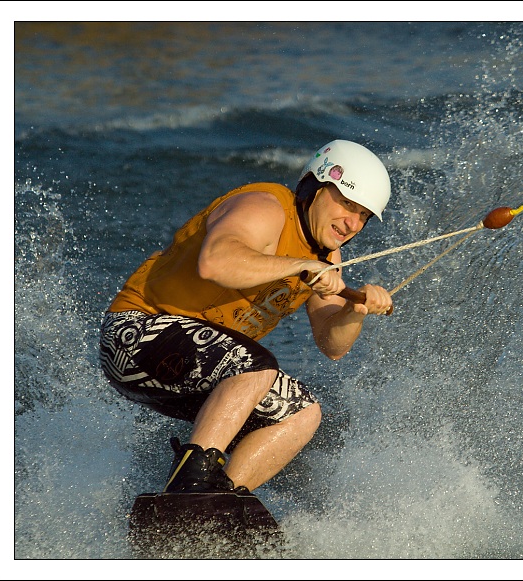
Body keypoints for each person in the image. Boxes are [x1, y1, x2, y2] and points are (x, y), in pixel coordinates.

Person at [99, 139, 393, 494]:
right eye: (346, 204)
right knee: (256, 366)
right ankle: (187, 487)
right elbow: (215, 262)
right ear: (315, 187)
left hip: (199, 371)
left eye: (363, 215)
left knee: (302, 412)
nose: (351, 224)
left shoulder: (327, 258)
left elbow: (333, 346)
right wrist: (299, 264)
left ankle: (216, 502)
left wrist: (354, 310)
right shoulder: (265, 207)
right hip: (135, 335)